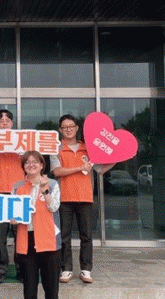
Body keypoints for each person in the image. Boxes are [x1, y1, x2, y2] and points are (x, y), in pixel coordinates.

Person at [51, 115, 113, 284]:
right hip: (64, 198)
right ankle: (66, 269)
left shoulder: (88, 148)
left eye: (71, 126)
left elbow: (100, 169)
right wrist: (80, 167)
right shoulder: (56, 148)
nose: (68, 129)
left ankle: (86, 269)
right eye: (65, 127)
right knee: (64, 236)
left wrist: (116, 159)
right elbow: (56, 171)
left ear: (77, 128)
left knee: (86, 236)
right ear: (60, 130)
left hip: (85, 197)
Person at [11, 151, 61, 299]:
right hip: (26, 240)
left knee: (51, 289)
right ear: (23, 166)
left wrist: (45, 190)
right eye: (27, 162)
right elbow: (12, 212)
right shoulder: (17, 187)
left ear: (41, 165)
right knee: (29, 288)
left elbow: (53, 207)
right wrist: (12, 218)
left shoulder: (52, 184)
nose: (31, 165)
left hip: (49, 240)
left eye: (35, 162)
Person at [0, 109, 24, 283]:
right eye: (0, 120)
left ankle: (23, 270)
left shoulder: (21, 139)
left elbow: (27, 158)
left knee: (20, 233)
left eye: (7, 120)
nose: (4, 123)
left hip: (19, 191)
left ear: (12, 123)